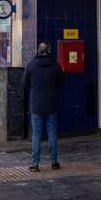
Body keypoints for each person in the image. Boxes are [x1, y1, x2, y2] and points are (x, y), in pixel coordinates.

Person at [24, 42, 65, 171]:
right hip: (51, 103)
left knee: (36, 133)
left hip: (36, 104)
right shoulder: (55, 65)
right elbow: (61, 82)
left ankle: (35, 164)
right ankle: (54, 162)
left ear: (38, 50)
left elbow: (24, 82)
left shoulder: (31, 65)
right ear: (49, 50)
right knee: (52, 132)